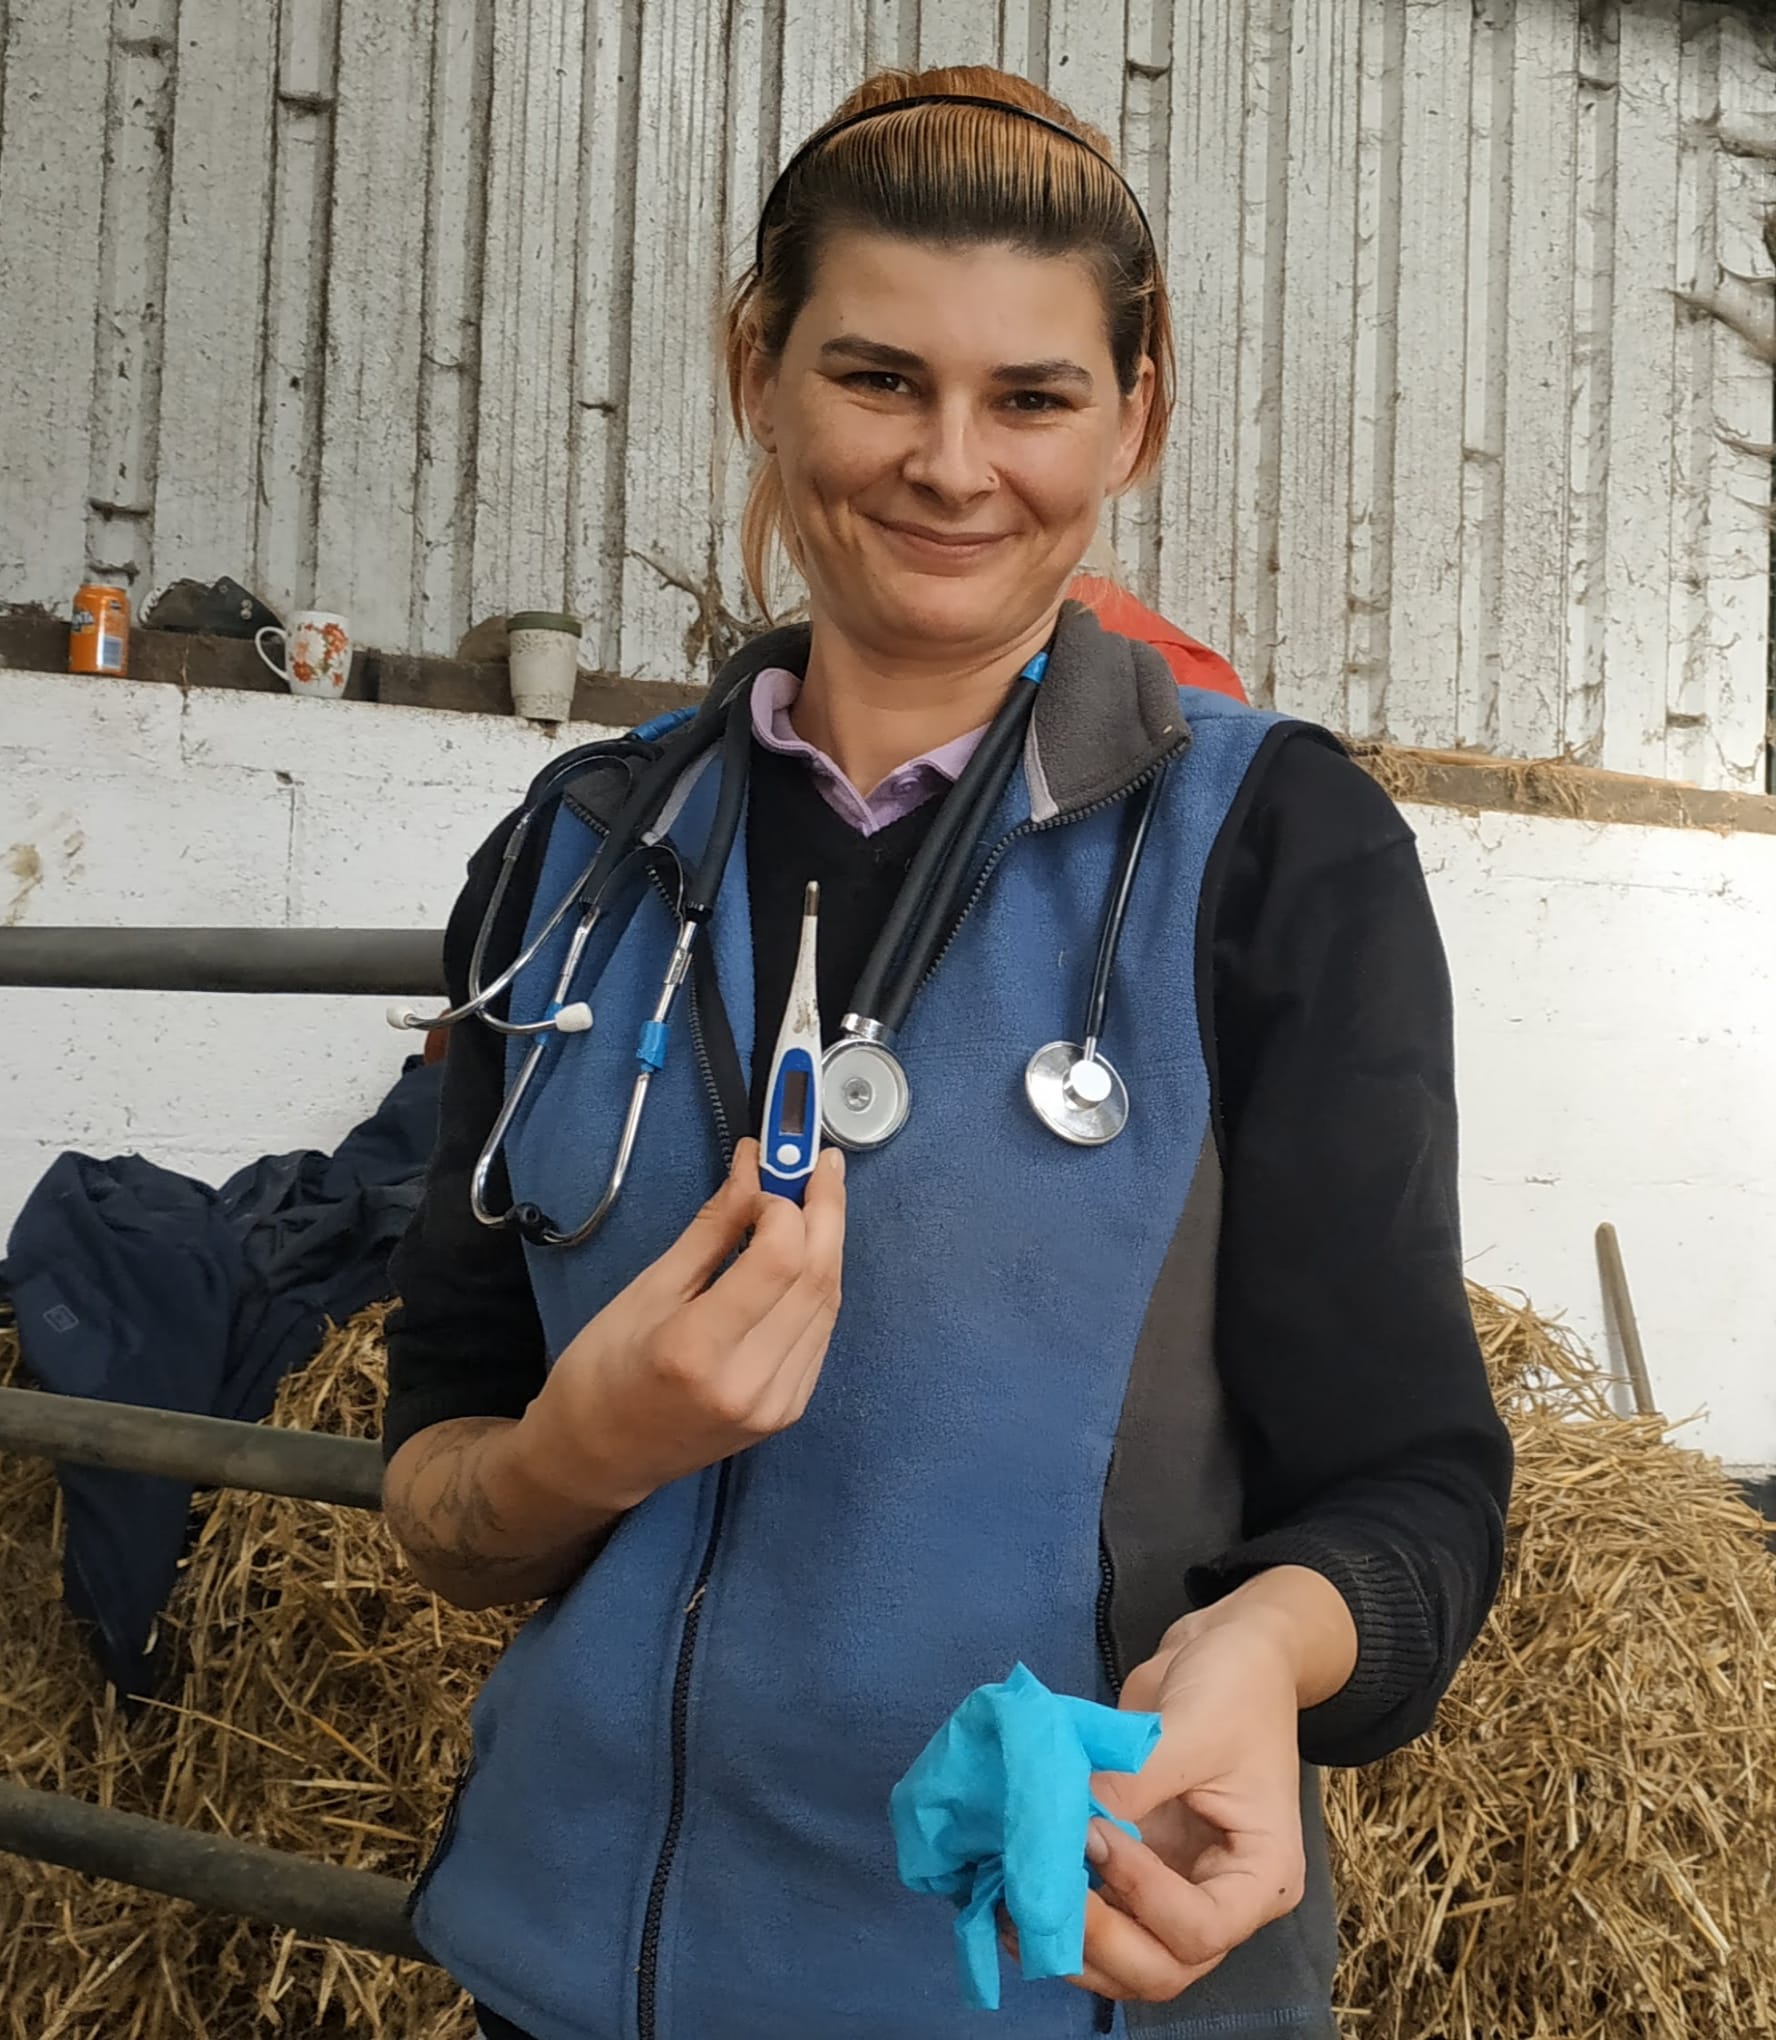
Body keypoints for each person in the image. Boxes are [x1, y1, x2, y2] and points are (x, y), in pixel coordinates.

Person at [380, 65, 1511, 2040]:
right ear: (760, 371)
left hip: (1054, 1979)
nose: (952, 466)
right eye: (879, 378)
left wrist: (1260, 1649)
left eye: (1034, 398)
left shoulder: (1273, 853)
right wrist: (574, 1456)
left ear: (1135, 418)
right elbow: (436, 1473)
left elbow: (1415, 1494)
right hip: (566, 1978)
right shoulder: (572, 861)